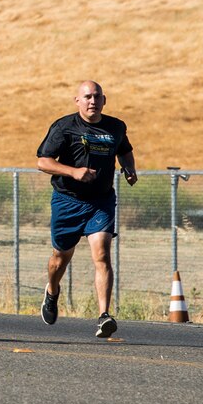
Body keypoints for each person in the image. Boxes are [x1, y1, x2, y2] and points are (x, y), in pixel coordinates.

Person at [36, 80, 137, 338]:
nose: (93, 101)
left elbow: (124, 151)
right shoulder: (64, 127)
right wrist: (74, 172)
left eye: (97, 97)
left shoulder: (116, 127)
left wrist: (129, 168)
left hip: (100, 202)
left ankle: (104, 315)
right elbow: (43, 161)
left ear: (105, 100)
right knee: (61, 257)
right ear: (78, 101)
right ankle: (52, 290)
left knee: (102, 254)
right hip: (67, 201)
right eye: (88, 97)